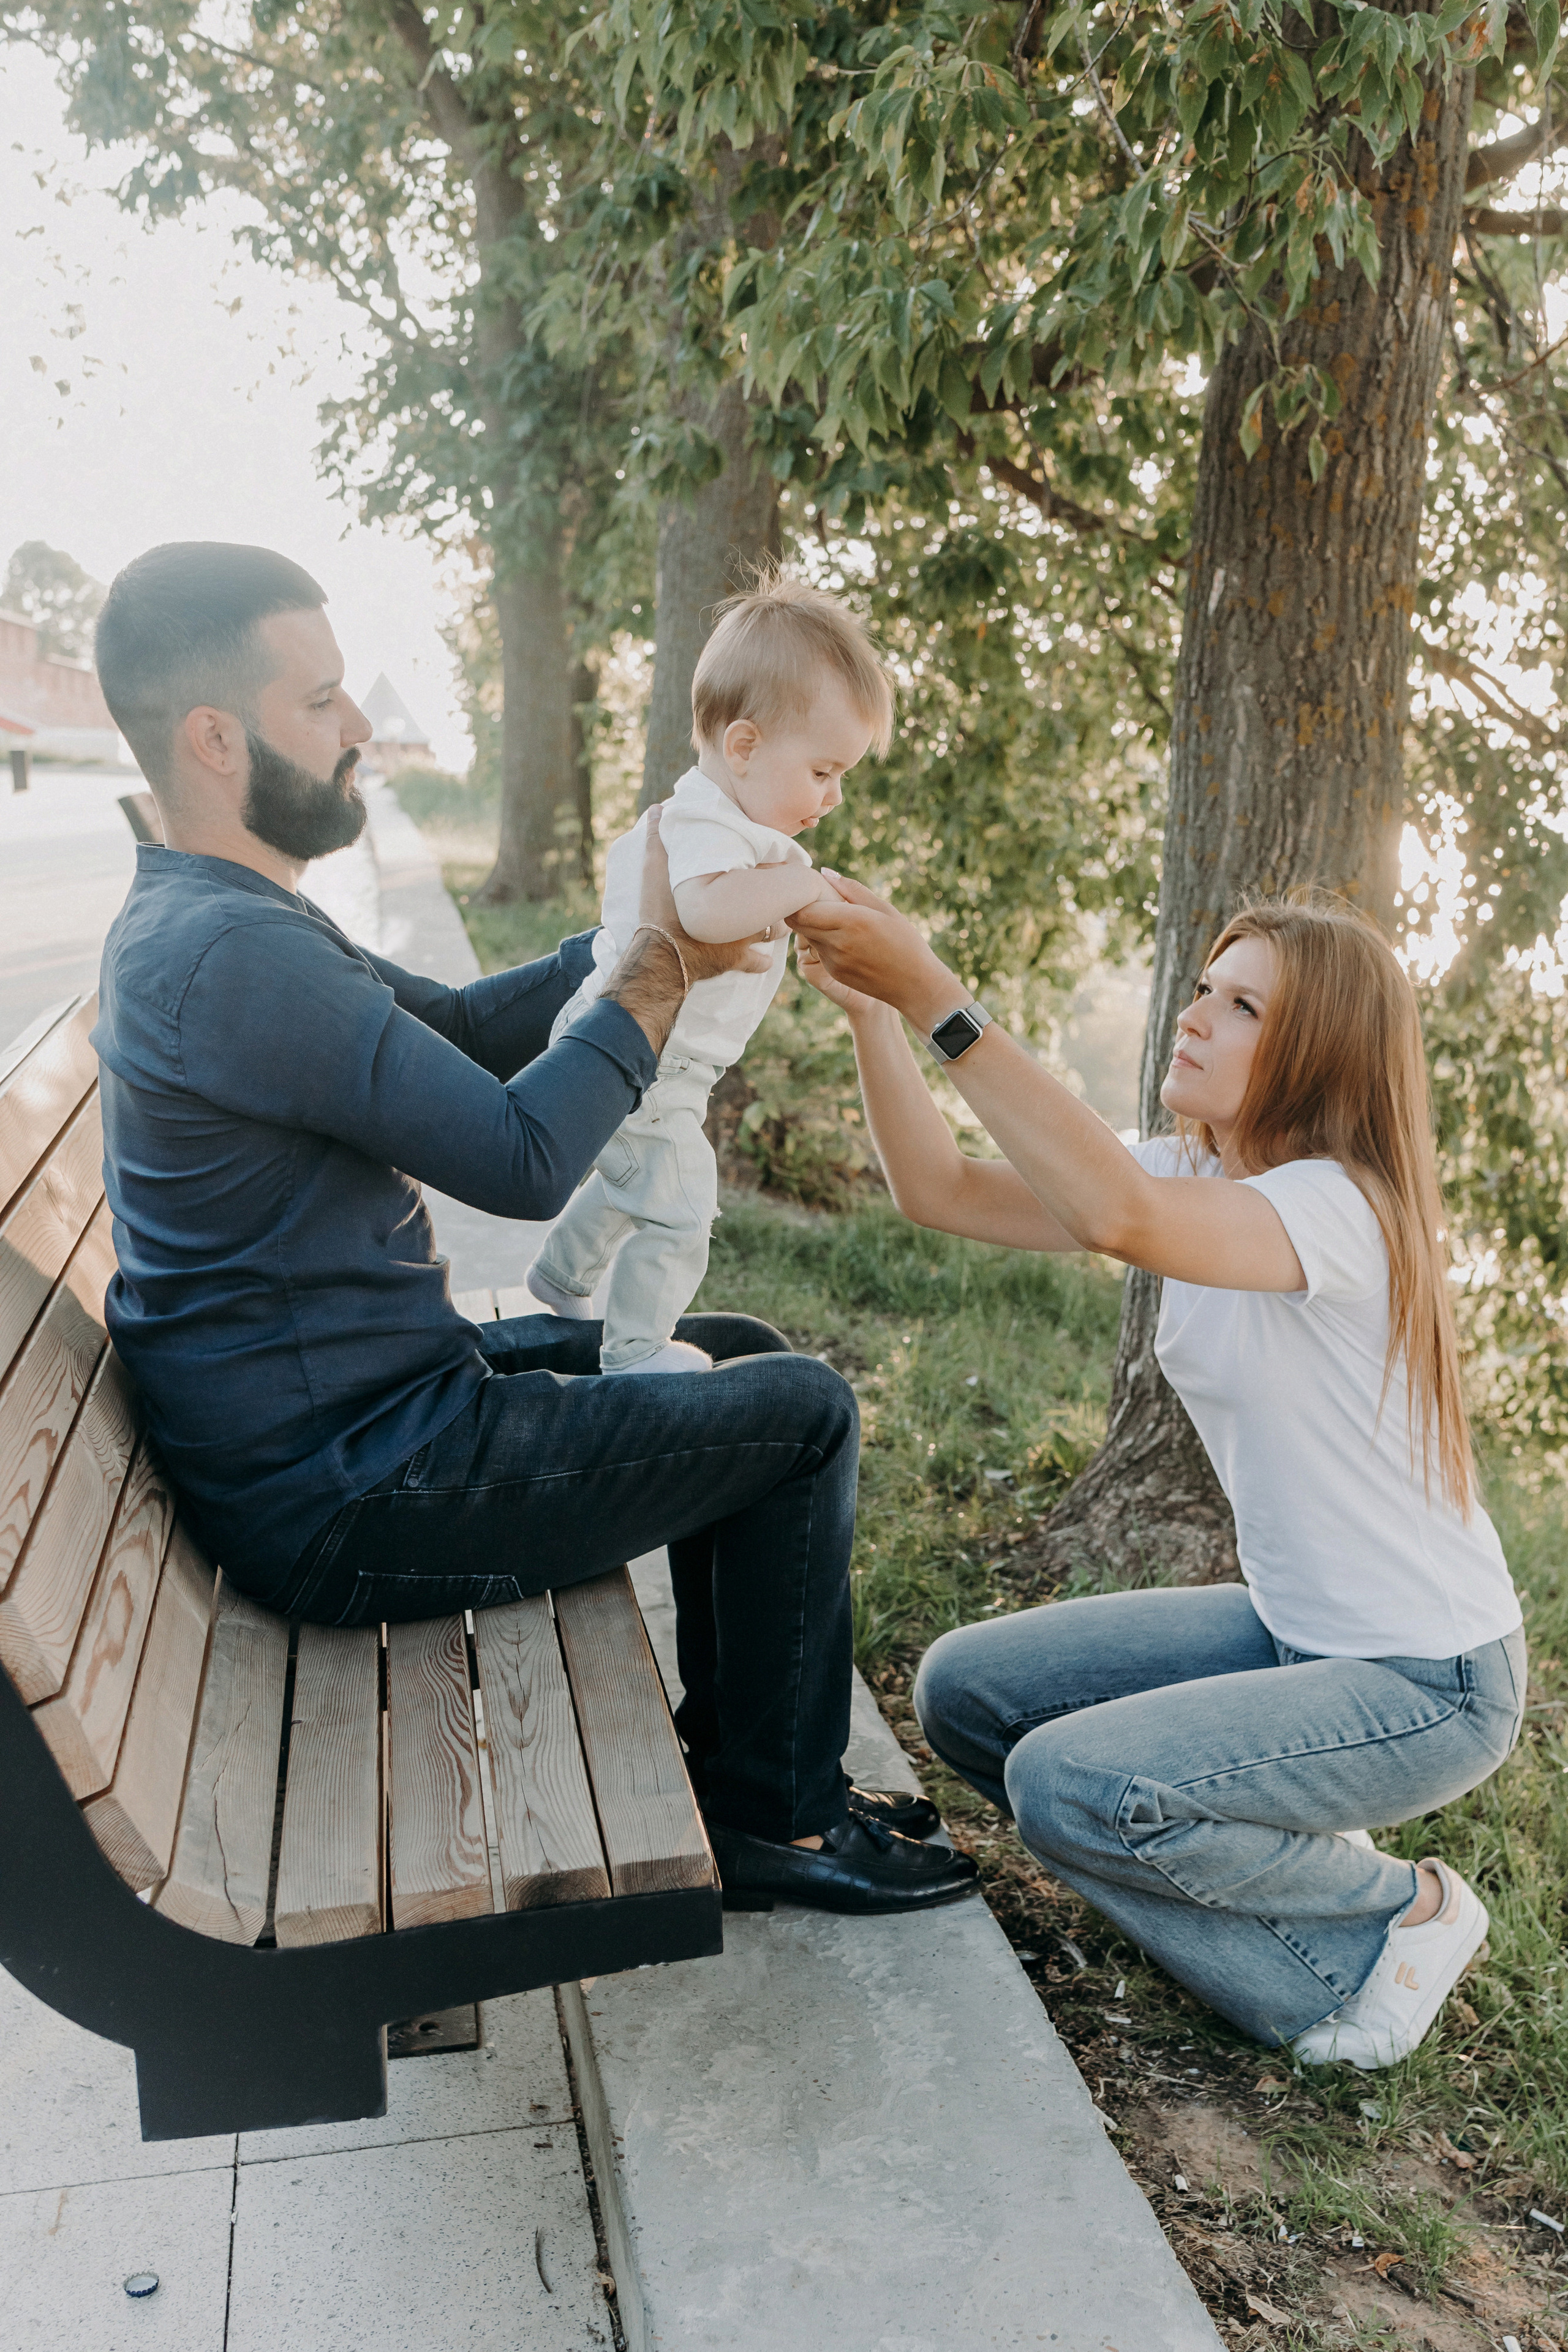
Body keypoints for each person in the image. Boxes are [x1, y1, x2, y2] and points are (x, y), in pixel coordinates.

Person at [88, 540, 977, 1918]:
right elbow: (518, 1158)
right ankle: (781, 1822)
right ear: (216, 737)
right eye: (320, 703)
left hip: (356, 1424)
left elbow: (443, 1031)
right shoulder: (229, 952)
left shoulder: (228, 918)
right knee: (798, 1415)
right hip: (353, 1495)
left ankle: (748, 1770)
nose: (361, 727)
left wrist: (613, 939)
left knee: (726, 1343)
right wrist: (656, 972)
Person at [793, 878, 1523, 2062]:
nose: (1194, 1017)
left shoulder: (1343, 1208)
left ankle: (1393, 1923)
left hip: (1426, 1679)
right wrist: (877, 1009)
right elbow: (939, 1190)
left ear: (1316, 1054)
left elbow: (1118, 1215)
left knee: (1068, 1787)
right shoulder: (1195, 1170)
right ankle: (1253, 1862)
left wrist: (936, 989)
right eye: (1202, 990)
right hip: (1296, 1632)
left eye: (1242, 1008)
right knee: (965, 1698)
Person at [527, 577, 892, 1375]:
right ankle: (633, 1351)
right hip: (635, 1056)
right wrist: (800, 884)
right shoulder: (700, 825)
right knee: (683, 1209)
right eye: (824, 772)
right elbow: (701, 915)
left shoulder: (734, 828)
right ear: (745, 747)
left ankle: (561, 1275)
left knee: (636, 1180)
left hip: (654, 1063)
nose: (832, 798)